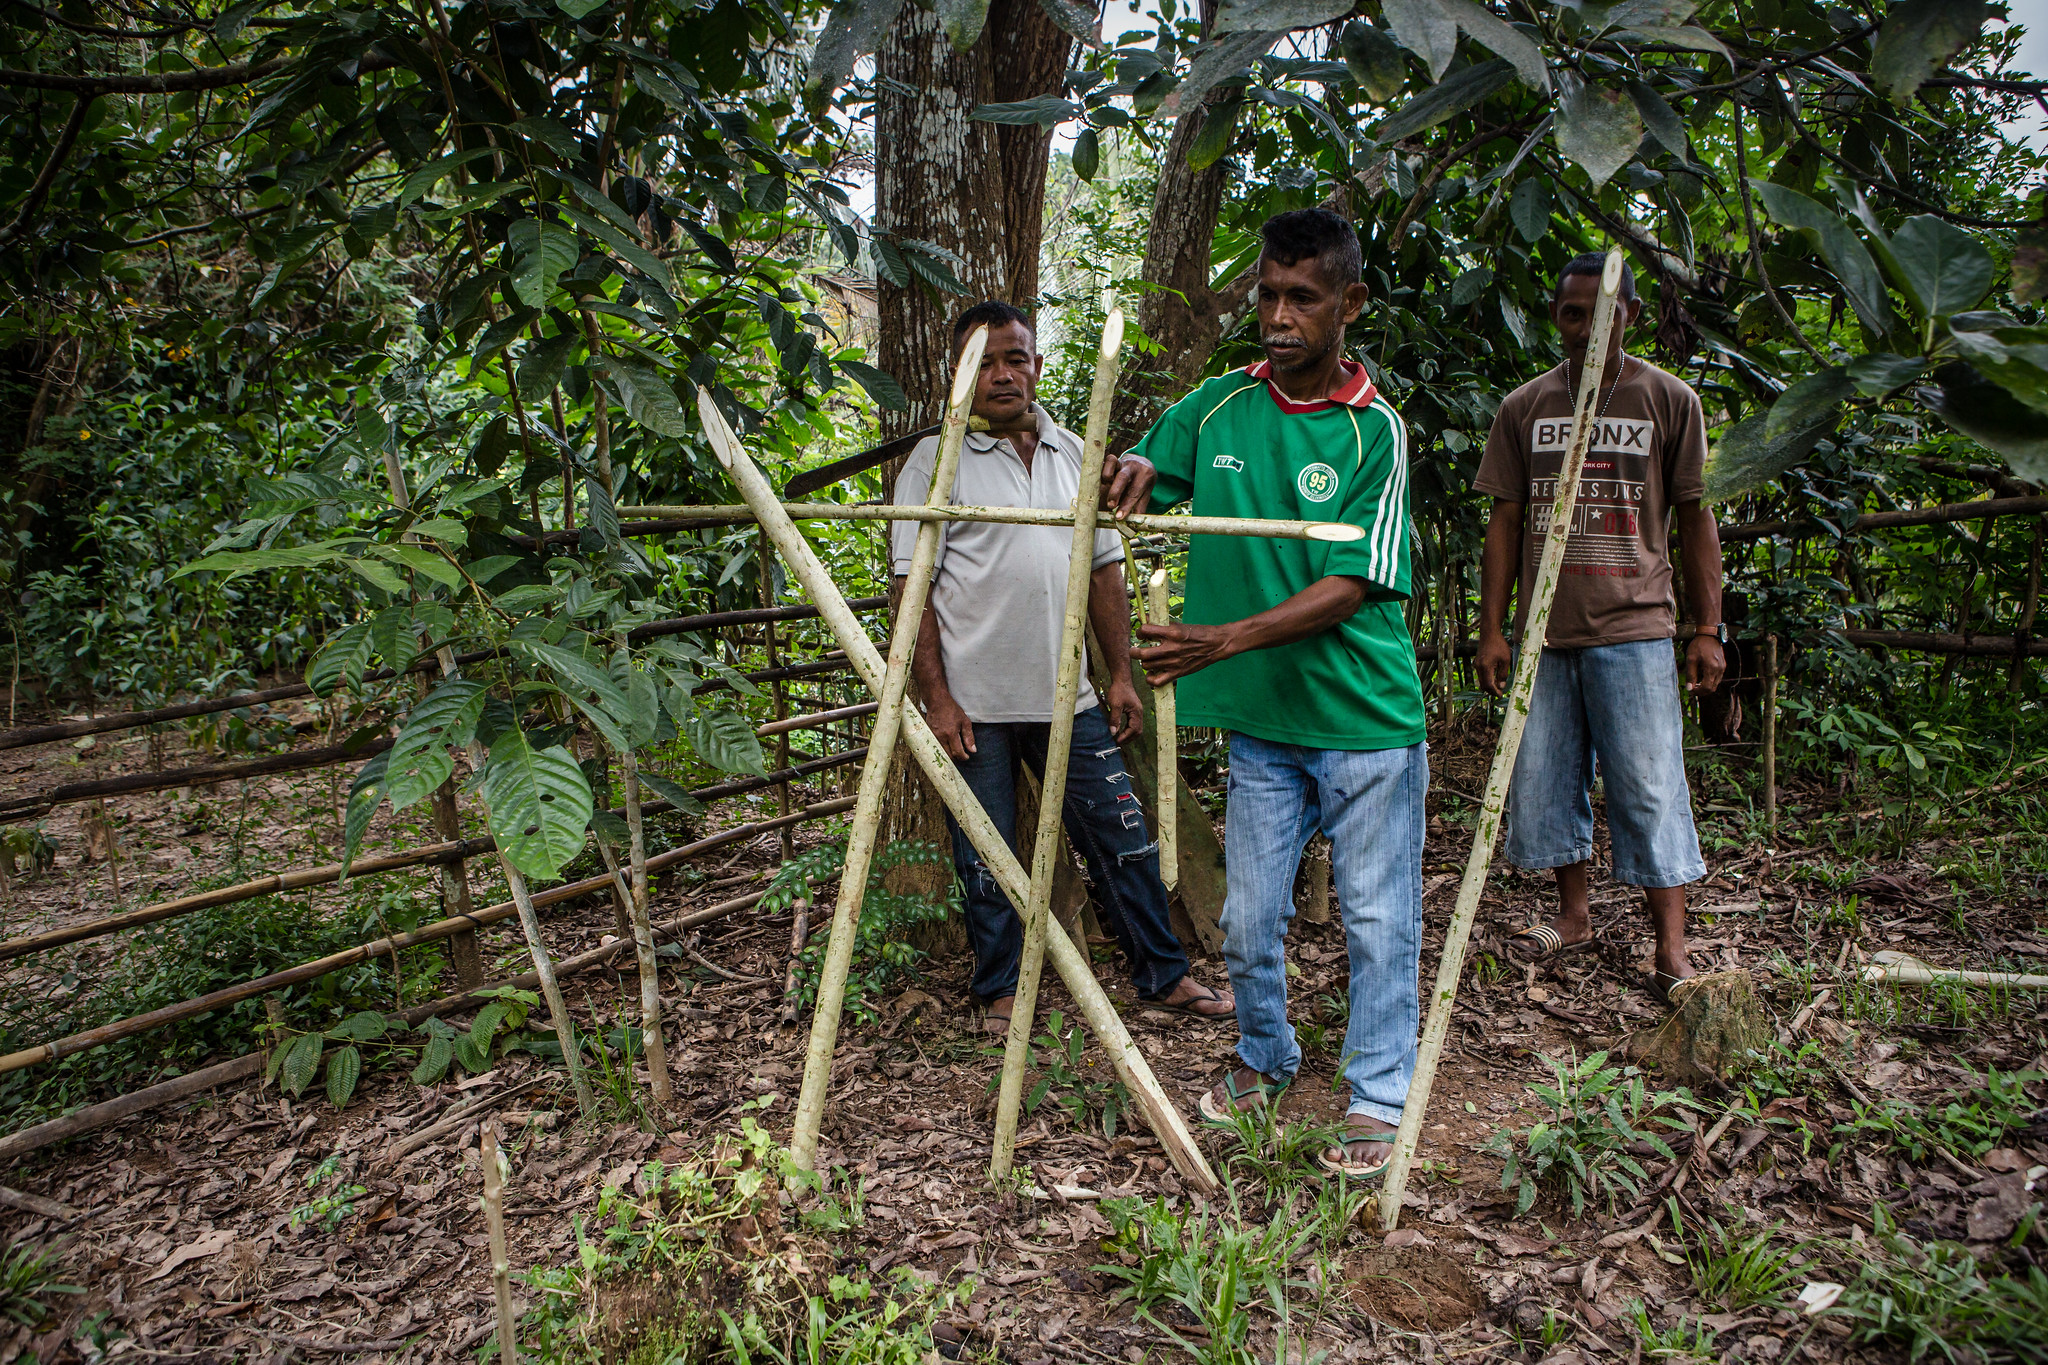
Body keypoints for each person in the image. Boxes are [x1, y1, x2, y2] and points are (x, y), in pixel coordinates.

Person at [1121, 209, 1428, 1180]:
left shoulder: (1373, 428)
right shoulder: (1214, 409)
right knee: (1250, 920)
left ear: (1349, 304)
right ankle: (1264, 1055)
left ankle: (1376, 1092)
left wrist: (1222, 638)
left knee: (1378, 919)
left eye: (1301, 297)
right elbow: (1144, 471)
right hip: (1261, 726)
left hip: (1365, 718)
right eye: (1266, 295)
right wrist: (1125, 473)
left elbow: (1356, 582)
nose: (1279, 314)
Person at [890, 301, 1233, 1035]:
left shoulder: (1075, 452)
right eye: (984, 362)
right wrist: (936, 698)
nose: (1003, 374)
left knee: (1122, 832)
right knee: (987, 853)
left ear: (1038, 365)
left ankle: (1162, 974)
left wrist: (1118, 675)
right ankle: (1001, 990)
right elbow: (909, 588)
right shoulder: (935, 460)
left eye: (1016, 357)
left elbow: (1106, 572)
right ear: (960, 376)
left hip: (1070, 698)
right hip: (974, 702)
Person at [1471, 252, 1727, 1004]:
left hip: (1636, 628)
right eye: (1572, 313)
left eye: (1602, 313)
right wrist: (1494, 628)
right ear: (1557, 318)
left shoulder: (1667, 399)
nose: (1585, 328)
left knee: (1648, 787)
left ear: (1631, 317)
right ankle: (1574, 915)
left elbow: (1695, 517)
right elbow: (1506, 520)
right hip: (1545, 637)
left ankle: (1671, 944)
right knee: (1547, 778)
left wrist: (1707, 627)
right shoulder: (1527, 406)